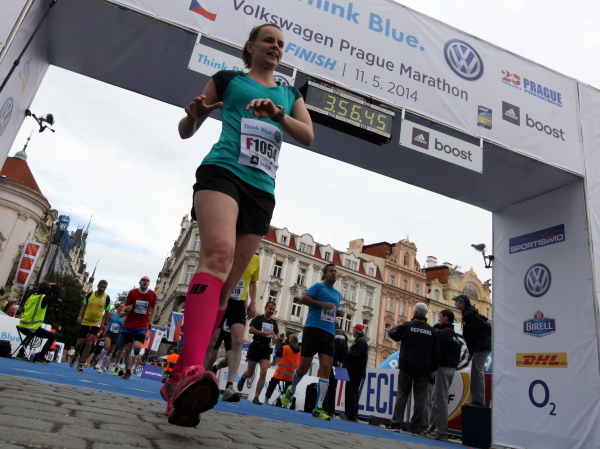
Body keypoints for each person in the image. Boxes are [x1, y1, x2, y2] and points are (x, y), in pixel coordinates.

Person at [161, 21, 313, 427]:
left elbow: (308, 135)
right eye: (269, 41)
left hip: (262, 189)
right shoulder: (228, 79)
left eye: (281, 44)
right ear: (251, 46)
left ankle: (179, 381)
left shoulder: (289, 94)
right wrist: (194, 116)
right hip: (223, 171)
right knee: (217, 257)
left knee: (227, 289)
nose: (276, 47)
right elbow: (186, 130)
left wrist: (279, 114)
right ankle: (191, 371)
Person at [280, 264, 340, 420]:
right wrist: (323, 304)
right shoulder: (318, 287)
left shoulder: (337, 293)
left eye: (335, 272)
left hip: (329, 332)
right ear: (324, 273)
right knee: (303, 368)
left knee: (326, 367)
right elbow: (303, 298)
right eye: (331, 271)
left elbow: (331, 311)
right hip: (313, 329)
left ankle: (318, 407)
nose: (334, 273)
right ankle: (291, 389)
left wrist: (337, 312)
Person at [205, 252, 261, 402]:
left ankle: (229, 386)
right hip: (221, 298)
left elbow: (252, 282)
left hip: (238, 303)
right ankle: (200, 377)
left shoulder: (255, 259)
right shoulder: (230, 251)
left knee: (238, 340)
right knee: (211, 342)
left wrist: (252, 303)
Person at [388, 302, 436, 434]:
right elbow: (436, 351)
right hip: (424, 368)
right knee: (420, 398)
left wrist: (394, 328)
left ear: (415, 313)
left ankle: (396, 423)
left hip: (407, 366)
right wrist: (432, 368)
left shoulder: (408, 326)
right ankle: (417, 426)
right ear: (425, 314)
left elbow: (393, 335)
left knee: (402, 395)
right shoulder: (431, 331)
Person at [425, 309, 462, 442]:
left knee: (440, 400)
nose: (439, 319)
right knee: (435, 398)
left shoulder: (442, 334)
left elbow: (437, 352)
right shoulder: (455, 336)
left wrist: (432, 369)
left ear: (446, 318)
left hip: (442, 368)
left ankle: (441, 431)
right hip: (451, 368)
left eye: (440, 317)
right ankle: (432, 428)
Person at [236, 301, 279, 404]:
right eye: (270, 309)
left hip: (266, 348)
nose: (271, 311)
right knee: (250, 373)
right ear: (265, 308)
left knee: (264, 372)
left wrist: (275, 337)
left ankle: (256, 397)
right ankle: (243, 377)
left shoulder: (273, 322)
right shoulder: (258, 318)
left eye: (273, 310)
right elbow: (251, 330)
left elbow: (277, 334)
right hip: (256, 346)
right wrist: (264, 332)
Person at [453, 294, 491, 407]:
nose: (455, 303)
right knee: (476, 371)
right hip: (481, 345)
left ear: (462, 303)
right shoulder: (468, 314)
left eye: (457, 301)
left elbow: (485, 326)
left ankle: (478, 400)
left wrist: (480, 338)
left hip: (481, 346)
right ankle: (477, 399)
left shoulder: (468, 315)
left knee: (477, 371)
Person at [118, 276, 156, 380]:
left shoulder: (152, 294)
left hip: (141, 326)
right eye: (143, 280)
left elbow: (153, 307)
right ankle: (128, 370)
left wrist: (151, 320)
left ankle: (136, 352)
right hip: (129, 325)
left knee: (137, 347)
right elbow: (125, 307)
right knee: (128, 348)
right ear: (140, 282)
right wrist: (127, 309)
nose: (145, 282)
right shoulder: (132, 292)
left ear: (149, 283)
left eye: (147, 281)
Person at [16, 281, 61, 364]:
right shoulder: (43, 298)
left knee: (31, 334)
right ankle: (40, 357)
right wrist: (56, 287)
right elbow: (56, 296)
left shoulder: (31, 297)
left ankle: (21, 353)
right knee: (52, 336)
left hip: (22, 325)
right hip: (32, 327)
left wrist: (46, 286)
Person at [73, 280, 111, 371]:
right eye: (101, 287)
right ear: (98, 286)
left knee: (89, 342)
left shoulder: (106, 298)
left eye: (104, 287)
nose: (102, 289)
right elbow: (84, 305)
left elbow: (107, 311)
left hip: (96, 322)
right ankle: (76, 354)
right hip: (86, 320)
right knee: (79, 342)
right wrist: (80, 316)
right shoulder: (91, 294)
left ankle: (81, 362)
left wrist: (105, 323)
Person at [341, 323, 369, 422]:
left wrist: (347, 353)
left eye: (353, 330)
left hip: (354, 371)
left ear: (356, 331)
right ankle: (351, 413)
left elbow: (356, 355)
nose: (352, 332)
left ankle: (350, 414)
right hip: (356, 371)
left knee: (351, 392)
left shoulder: (360, 341)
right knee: (352, 392)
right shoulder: (362, 340)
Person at [323, 310, 348, 417]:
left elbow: (331, 349)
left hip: (330, 363)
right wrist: (341, 362)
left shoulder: (331, 333)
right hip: (339, 366)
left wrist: (336, 360)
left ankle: (325, 408)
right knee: (333, 388)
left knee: (326, 385)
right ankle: (332, 411)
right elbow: (346, 351)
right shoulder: (344, 335)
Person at [264, 334, 301, 405]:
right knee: (288, 388)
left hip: (281, 372)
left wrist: (282, 343)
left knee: (272, 384)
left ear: (290, 340)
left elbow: (278, 354)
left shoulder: (285, 347)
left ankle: (266, 399)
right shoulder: (299, 350)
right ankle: (285, 403)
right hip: (291, 374)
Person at [97, 303, 125, 372]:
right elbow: (105, 317)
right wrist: (105, 324)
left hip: (117, 334)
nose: (121, 308)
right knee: (107, 347)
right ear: (118, 307)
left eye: (123, 307)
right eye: (120, 306)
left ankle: (102, 365)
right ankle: (99, 362)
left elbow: (125, 326)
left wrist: (123, 327)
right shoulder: (112, 314)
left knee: (109, 351)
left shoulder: (125, 317)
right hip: (109, 333)